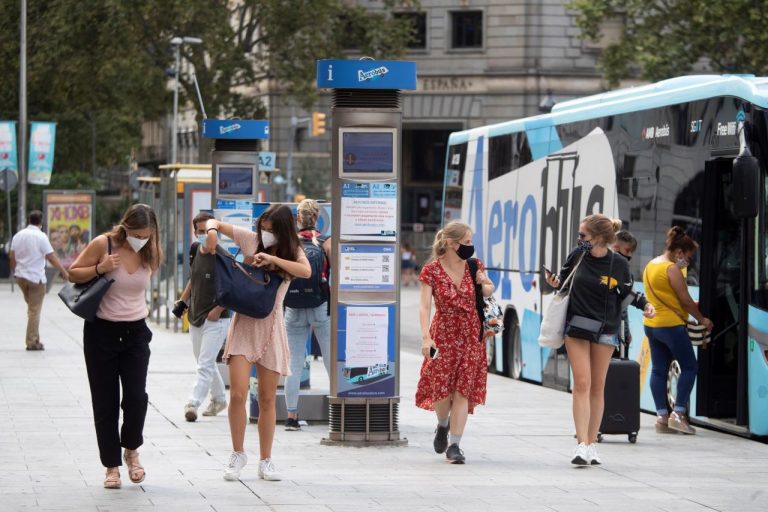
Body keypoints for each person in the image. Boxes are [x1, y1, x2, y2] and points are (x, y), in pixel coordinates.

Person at [204, 204, 311, 482]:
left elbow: (305, 271)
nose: (265, 234)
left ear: (283, 230)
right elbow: (213, 222)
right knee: (237, 394)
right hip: (244, 324)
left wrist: (274, 261)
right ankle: (237, 453)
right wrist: (213, 233)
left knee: (266, 399)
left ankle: (266, 460)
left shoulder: (293, 251)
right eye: (263, 228)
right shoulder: (252, 239)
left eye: (271, 229)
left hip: (273, 327)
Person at [545, 214, 654, 466]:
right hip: (576, 325)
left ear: (599, 238)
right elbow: (563, 282)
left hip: (606, 328)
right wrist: (554, 282)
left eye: (583, 236)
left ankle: (592, 443)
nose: (579, 239)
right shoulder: (577, 255)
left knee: (597, 386)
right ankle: (581, 444)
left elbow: (627, 292)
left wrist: (646, 305)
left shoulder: (618, 263)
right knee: (582, 383)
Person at [68, 204, 161, 489]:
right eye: (136, 233)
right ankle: (111, 466)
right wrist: (100, 268)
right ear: (125, 227)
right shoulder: (104, 244)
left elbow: (141, 289)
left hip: (136, 333)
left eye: (146, 234)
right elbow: (73, 273)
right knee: (105, 401)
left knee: (136, 397)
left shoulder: (151, 250)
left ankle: (132, 450)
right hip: (102, 333)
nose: (141, 238)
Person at [416, 220, 494, 464]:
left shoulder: (474, 266)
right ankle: (442, 425)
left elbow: (489, 290)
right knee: (441, 388)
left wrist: (484, 283)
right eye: (467, 242)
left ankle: (455, 445)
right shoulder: (432, 271)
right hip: (442, 334)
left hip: (471, 335)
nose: (471, 247)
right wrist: (426, 337)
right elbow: (424, 306)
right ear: (451, 243)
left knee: (462, 391)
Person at [643, 226, 713, 435]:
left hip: (652, 325)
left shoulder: (651, 265)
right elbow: (685, 300)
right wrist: (702, 319)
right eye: (688, 256)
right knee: (690, 367)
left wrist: (682, 269)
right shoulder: (671, 268)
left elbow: (665, 292)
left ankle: (662, 417)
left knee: (658, 369)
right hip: (671, 326)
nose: (688, 260)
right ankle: (679, 414)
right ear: (679, 252)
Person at [174, 211, 229, 422]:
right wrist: (182, 301)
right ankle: (219, 398)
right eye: (199, 231)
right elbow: (193, 278)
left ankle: (192, 403)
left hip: (217, 319)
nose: (204, 235)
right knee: (203, 362)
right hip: (195, 315)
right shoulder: (195, 249)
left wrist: (218, 309)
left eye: (207, 231)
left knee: (205, 363)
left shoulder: (223, 257)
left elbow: (232, 288)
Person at [283, 199, 331, 431]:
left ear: (298, 218)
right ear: (318, 217)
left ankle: (291, 416)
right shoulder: (325, 242)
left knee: (293, 363)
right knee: (330, 361)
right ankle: (336, 411)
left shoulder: (290, 243)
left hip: (293, 307)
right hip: (320, 306)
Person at [9, 210, 69, 351]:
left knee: (32, 310)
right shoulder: (41, 236)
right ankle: (32, 342)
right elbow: (51, 257)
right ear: (40, 222)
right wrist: (64, 271)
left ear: (29, 220)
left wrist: (15, 273)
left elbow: (12, 256)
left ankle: (35, 338)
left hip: (21, 278)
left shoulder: (18, 235)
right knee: (34, 311)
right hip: (36, 279)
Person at [612, 230, 646, 348]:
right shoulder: (619, 270)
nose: (630, 255)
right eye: (627, 251)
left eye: (631, 252)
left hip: (613, 332)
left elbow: (626, 301)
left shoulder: (625, 272)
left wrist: (626, 332)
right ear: (615, 247)